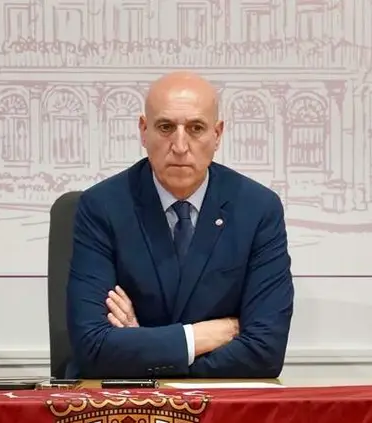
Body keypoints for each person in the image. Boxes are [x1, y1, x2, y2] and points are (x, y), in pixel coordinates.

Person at [65, 71, 294, 378]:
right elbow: (92, 347)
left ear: (217, 134)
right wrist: (200, 338)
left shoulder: (257, 209)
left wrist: (140, 346)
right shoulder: (102, 206)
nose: (180, 145)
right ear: (144, 131)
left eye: (196, 128)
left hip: (223, 406)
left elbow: (265, 351)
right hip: (123, 402)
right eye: (166, 127)